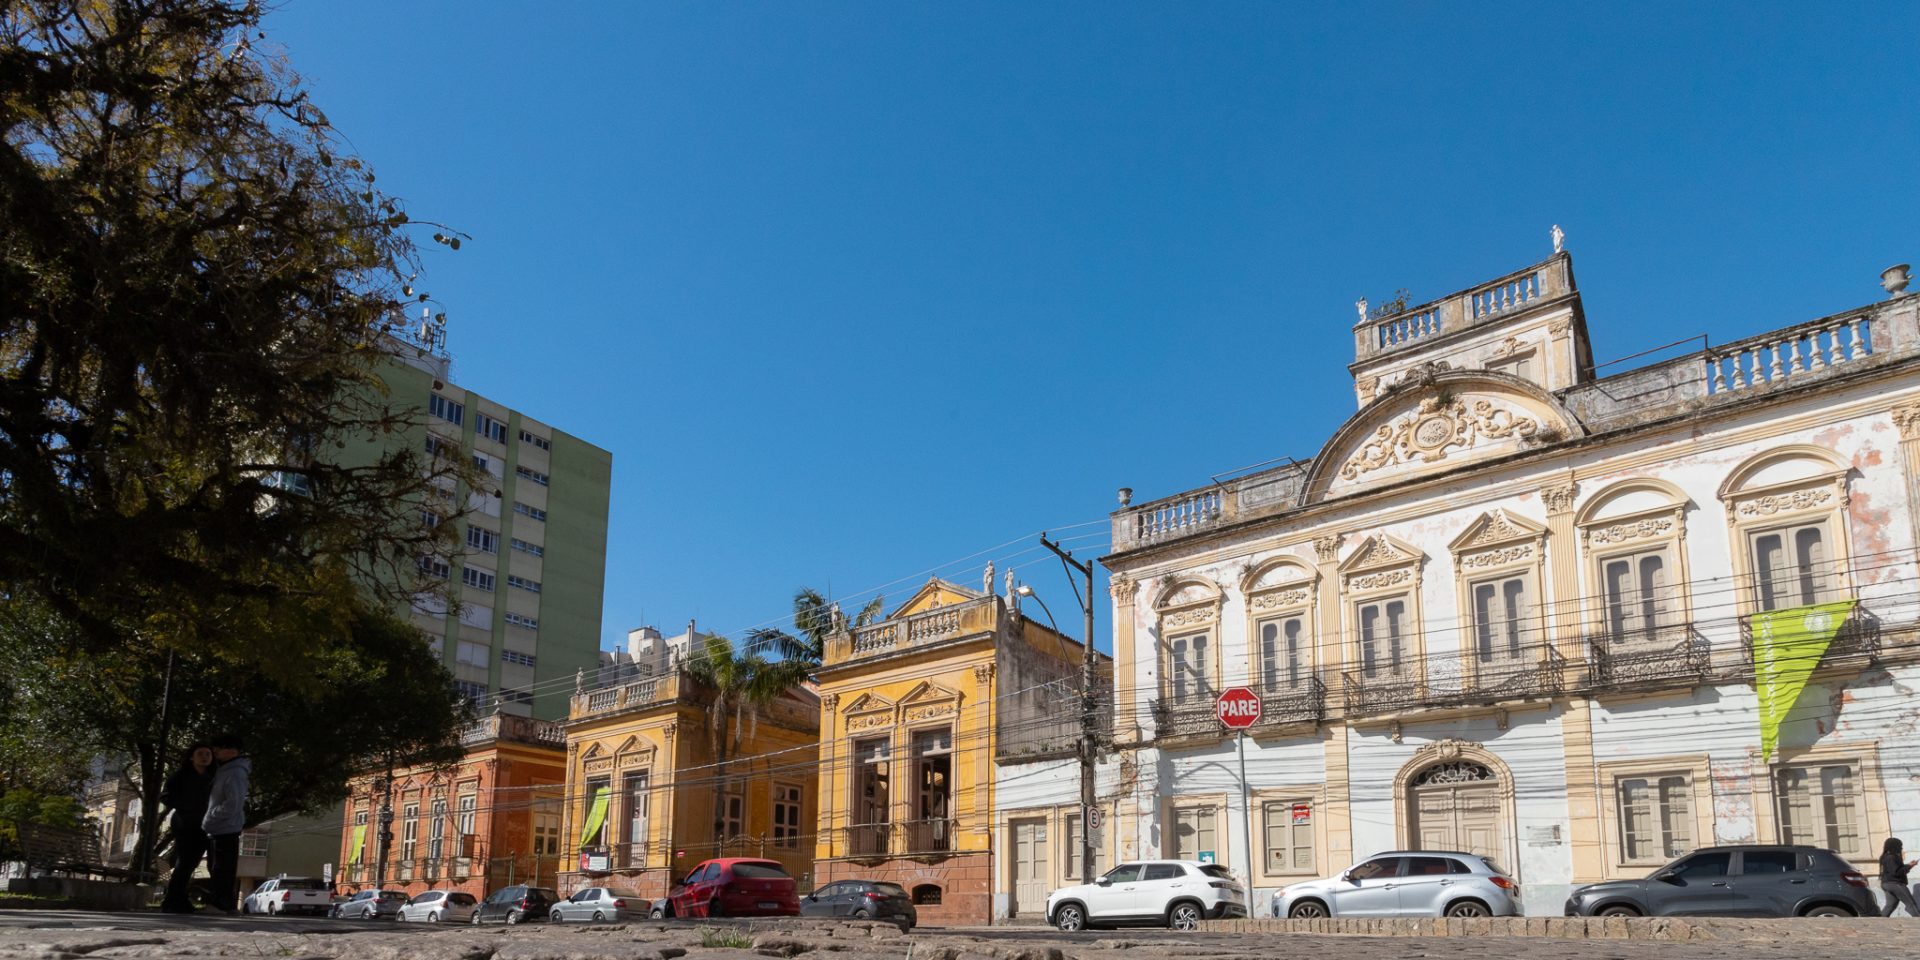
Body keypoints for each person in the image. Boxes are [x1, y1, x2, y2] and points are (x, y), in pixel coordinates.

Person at [158, 742, 215, 913]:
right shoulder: (181, 775)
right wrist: (185, 806)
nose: (204, 757)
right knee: (184, 861)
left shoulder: (214, 776)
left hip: (206, 824)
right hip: (184, 822)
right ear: (191, 757)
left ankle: (179, 899)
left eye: (207, 754)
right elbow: (166, 796)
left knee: (192, 863)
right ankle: (172, 900)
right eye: (200, 753)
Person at [201, 734, 252, 914]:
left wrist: (210, 817)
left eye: (218, 748)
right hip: (221, 826)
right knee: (218, 866)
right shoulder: (226, 769)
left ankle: (220, 904)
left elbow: (233, 803)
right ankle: (224, 904)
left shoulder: (235, 771)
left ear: (231, 750)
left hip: (225, 827)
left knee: (221, 867)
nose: (215, 752)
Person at [1881, 837, 1919, 916]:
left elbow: (1895, 869)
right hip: (1895, 884)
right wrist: (1909, 866)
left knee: (1890, 906)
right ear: (1894, 846)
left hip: (1887, 884)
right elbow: (1897, 872)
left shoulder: (1886, 857)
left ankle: (1876, 923)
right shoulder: (1891, 857)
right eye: (1900, 846)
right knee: (1911, 904)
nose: (1901, 848)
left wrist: (1909, 865)